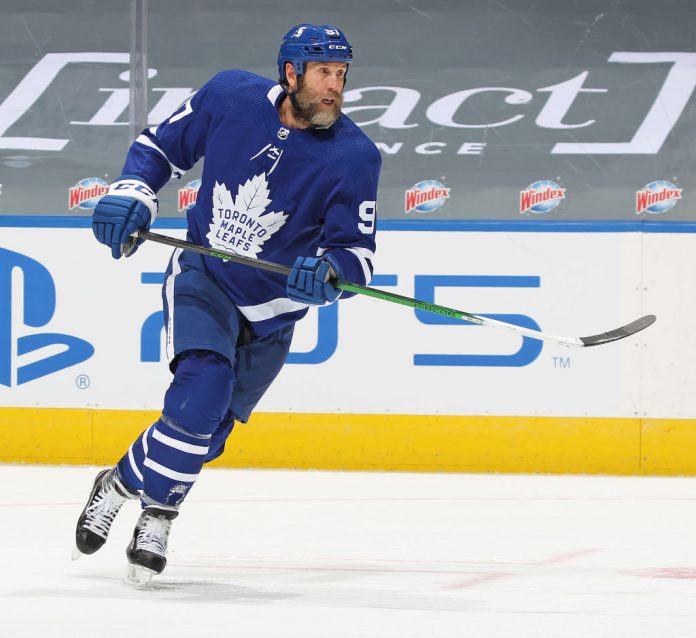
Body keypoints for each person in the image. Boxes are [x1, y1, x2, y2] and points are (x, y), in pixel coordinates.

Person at [73, 23, 381, 588]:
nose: (334, 86)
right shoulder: (230, 96)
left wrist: (332, 273)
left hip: (273, 314)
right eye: (323, 73)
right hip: (206, 277)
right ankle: (160, 515)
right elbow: (160, 147)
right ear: (290, 73)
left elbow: (356, 252)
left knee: (207, 437)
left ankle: (117, 482)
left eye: (340, 74)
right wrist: (134, 190)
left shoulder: (354, 156)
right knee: (201, 395)